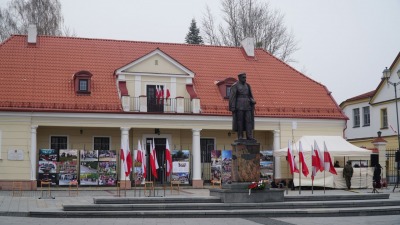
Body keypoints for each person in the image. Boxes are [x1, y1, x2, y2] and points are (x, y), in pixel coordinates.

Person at [229, 72, 256, 141]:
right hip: (239, 105)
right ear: (239, 78)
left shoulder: (248, 85)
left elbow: (250, 95)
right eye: (243, 77)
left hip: (247, 105)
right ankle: (240, 136)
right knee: (240, 121)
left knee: (248, 121)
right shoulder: (235, 86)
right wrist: (232, 107)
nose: (245, 79)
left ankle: (249, 136)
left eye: (245, 77)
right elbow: (232, 97)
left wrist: (252, 100)